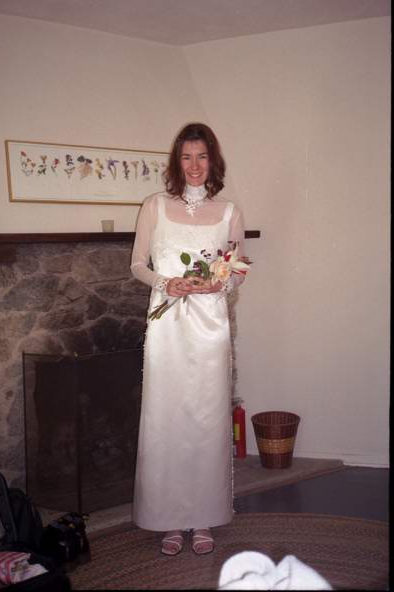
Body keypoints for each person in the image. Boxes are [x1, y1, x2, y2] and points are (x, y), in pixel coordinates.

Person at [130, 122, 248, 556]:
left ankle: (203, 516)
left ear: (213, 161)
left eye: (202, 157)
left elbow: (237, 269)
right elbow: (137, 264)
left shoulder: (230, 211)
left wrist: (221, 284)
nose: (195, 165)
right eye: (186, 157)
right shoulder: (154, 206)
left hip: (210, 327)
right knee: (166, 418)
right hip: (167, 327)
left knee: (206, 418)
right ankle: (167, 518)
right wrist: (167, 283)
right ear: (176, 162)